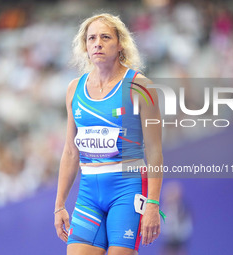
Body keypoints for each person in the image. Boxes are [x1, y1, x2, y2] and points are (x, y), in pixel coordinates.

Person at [54, 13, 164, 255]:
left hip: (127, 187)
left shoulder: (141, 86)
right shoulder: (74, 89)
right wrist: (59, 204)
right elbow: (71, 152)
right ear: (85, 46)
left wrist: (153, 204)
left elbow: (155, 152)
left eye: (105, 37)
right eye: (92, 38)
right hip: (89, 192)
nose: (97, 43)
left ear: (120, 43)